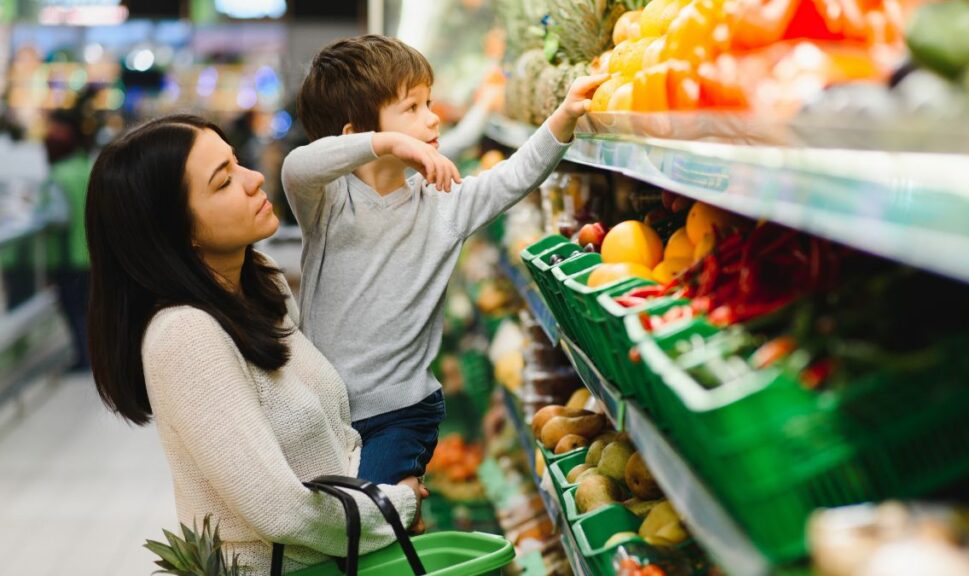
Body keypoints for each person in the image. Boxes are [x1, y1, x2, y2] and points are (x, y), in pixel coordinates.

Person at [86, 114, 427, 573]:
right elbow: (279, 509)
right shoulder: (185, 336)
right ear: (177, 230)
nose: (255, 179)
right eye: (224, 181)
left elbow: (332, 434)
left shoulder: (260, 281)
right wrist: (394, 504)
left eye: (237, 162)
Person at [283, 34, 606, 484]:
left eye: (428, 102)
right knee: (343, 532)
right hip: (325, 409)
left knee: (376, 520)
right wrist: (388, 144)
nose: (433, 118)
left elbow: (514, 177)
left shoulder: (444, 202)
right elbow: (297, 166)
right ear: (356, 135)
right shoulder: (329, 204)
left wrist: (564, 117)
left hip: (402, 413)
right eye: (411, 108)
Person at [43, 108, 94, 371]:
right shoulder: (86, 165)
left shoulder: (59, 175)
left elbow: (59, 217)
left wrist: (38, 212)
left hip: (68, 256)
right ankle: (92, 358)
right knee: (88, 310)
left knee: (73, 309)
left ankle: (83, 359)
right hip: (90, 253)